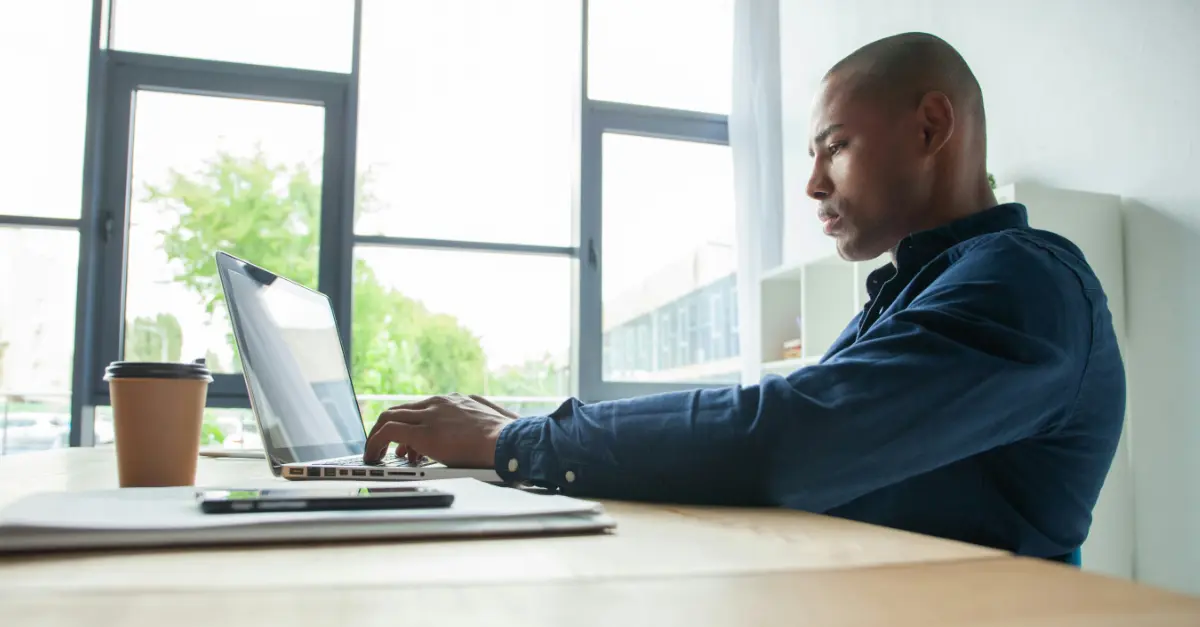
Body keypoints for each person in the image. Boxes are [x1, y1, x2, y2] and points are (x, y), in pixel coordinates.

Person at [363, 32, 1125, 562]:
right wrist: (528, 437)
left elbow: (786, 436)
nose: (813, 183)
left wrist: (522, 441)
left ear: (931, 127)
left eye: (835, 147)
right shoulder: (917, 290)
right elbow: (779, 428)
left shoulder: (1024, 284)